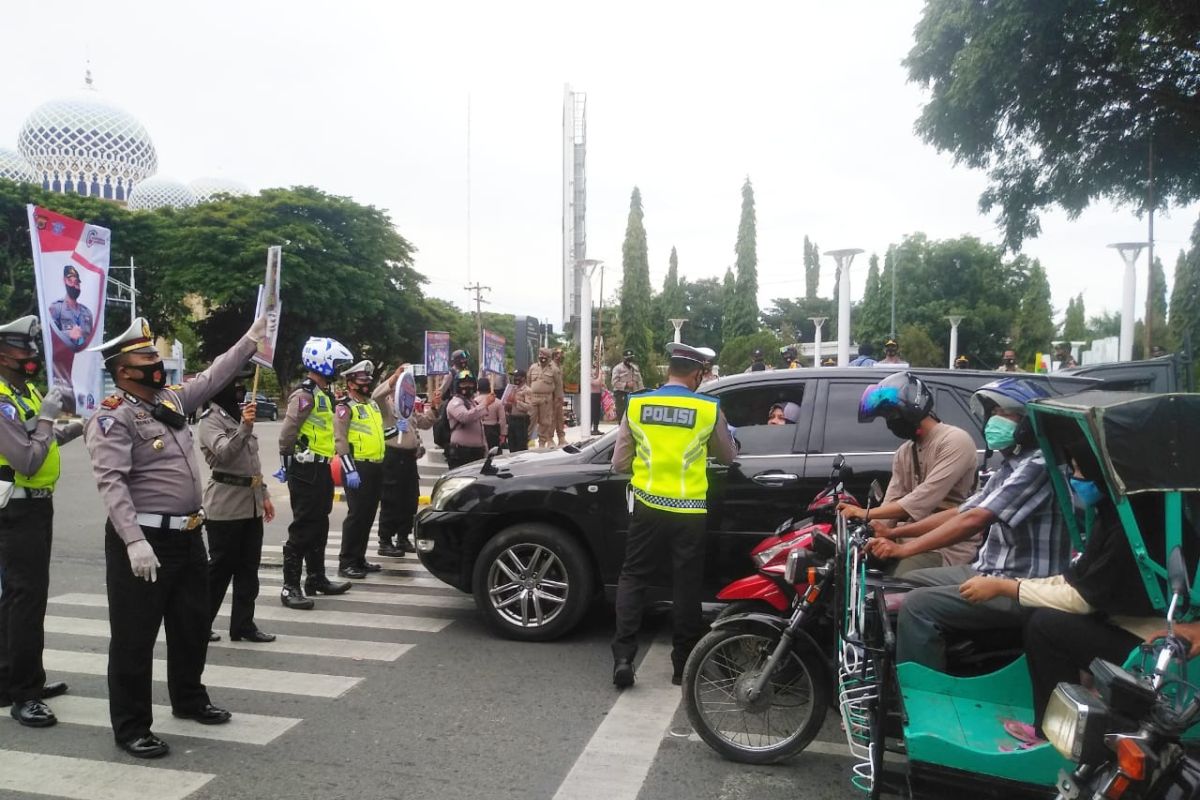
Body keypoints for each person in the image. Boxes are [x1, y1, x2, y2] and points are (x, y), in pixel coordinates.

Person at [84, 313, 273, 758]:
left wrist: (249, 339)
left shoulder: (170, 401)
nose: (157, 362)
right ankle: (131, 725)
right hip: (146, 543)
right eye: (147, 356)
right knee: (135, 637)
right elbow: (112, 483)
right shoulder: (113, 418)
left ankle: (189, 698)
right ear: (123, 371)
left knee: (191, 626)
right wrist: (133, 540)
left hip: (189, 535)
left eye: (155, 354)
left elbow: (213, 376)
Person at [956, 468, 1200, 743]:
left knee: (1047, 625)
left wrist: (1007, 588)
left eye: (1080, 468)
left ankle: (1054, 734)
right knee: (1040, 612)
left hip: (1155, 647)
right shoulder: (1117, 515)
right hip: (1130, 627)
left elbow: (1083, 599)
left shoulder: (1137, 523)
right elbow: (1078, 579)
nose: (1073, 476)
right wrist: (1014, 586)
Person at [868, 378, 1070, 671]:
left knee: (917, 606)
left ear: (1028, 423)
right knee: (903, 582)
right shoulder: (1012, 464)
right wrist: (893, 532)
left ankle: (924, 695)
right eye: (994, 413)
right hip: (987, 570)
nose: (995, 421)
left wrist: (904, 550)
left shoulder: (1038, 466)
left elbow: (973, 520)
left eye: (1006, 414)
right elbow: (960, 512)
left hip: (1018, 586)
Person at [611, 342, 738, 688]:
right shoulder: (708, 409)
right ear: (696, 373)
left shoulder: (638, 403)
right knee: (686, 586)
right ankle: (683, 666)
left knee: (633, 578)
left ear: (669, 370)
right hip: (689, 510)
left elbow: (619, 462)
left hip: (648, 505)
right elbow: (727, 457)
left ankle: (623, 658)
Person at [0, 315, 81, 728]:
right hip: (16, 508)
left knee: (18, 598)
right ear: (2, 354)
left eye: (33, 349)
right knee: (26, 599)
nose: (30, 357)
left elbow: (40, 438)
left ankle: (12, 679)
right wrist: (49, 418)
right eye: (22, 351)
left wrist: (73, 428)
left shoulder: (24, 390)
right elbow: (27, 459)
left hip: (35, 506)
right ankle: (25, 694)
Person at [846, 373, 979, 575]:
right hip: (904, 539)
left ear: (911, 411)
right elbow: (893, 499)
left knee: (895, 589)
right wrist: (871, 530)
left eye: (892, 416)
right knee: (851, 569)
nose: (890, 423)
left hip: (944, 545)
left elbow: (921, 500)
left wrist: (864, 512)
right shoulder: (904, 452)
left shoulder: (955, 441)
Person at [275, 336, 355, 610]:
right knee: (304, 526)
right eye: (335, 363)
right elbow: (287, 433)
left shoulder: (323, 394)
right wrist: (286, 464)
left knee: (320, 524)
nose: (338, 368)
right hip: (305, 469)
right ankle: (290, 587)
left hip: (321, 468)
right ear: (321, 363)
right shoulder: (305, 395)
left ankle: (316, 578)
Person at [200, 369, 275, 645]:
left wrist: (264, 493)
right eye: (236, 386)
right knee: (220, 570)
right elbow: (224, 454)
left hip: (251, 503)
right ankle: (200, 623)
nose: (241, 391)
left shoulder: (236, 417)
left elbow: (251, 464)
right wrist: (244, 428)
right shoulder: (211, 421)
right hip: (226, 506)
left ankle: (243, 624)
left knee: (248, 570)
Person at [335, 361, 387, 580]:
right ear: (350, 383)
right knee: (356, 515)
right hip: (358, 467)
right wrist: (349, 470)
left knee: (368, 515)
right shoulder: (344, 406)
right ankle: (346, 562)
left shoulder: (371, 405)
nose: (367, 384)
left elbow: (378, 434)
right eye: (362, 380)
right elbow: (340, 440)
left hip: (376, 465)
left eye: (368, 380)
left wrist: (397, 429)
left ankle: (359, 558)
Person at [374, 363, 432, 557]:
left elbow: (423, 423)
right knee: (391, 499)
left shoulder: (406, 405)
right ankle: (385, 540)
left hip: (408, 458)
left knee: (409, 499)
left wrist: (435, 408)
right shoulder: (386, 404)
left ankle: (403, 537)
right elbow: (376, 395)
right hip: (392, 456)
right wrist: (393, 379)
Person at [47, 265, 95, 386]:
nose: (75, 284)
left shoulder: (87, 312)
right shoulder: (56, 308)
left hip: (83, 366)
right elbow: (49, 338)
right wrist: (69, 335)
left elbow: (92, 340)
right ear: (64, 281)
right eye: (71, 280)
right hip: (63, 368)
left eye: (77, 281)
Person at [445, 371, 492, 468]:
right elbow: (464, 417)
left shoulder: (473, 403)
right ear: (458, 385)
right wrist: (484, 405)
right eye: (464, 384)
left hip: (477, 453)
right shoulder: (455, 402)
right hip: (461, 453)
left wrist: (485, 448)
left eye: (470, 384)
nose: (468, 386)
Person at [526, 348, 561, 448]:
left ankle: (542, 443)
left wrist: (558, 399)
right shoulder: (533, 367)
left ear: (549, 358)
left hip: (546, 399)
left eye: (545, 357)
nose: (542, 358)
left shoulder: (554, 370)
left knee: (545, 422)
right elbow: (528, 382)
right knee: (530, 420)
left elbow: (558, 385)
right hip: (533, 398)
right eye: (541, 356)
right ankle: (528, 442)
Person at [501, 369, 531, 452]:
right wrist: (507, 405)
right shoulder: (512, 389)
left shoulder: (527, 390)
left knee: (521, 446)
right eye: (514, 377)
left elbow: (529, 407)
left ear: (524, 378)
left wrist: (516, 401)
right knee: (512, 445)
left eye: (518, 377)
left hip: (521, 421)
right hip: (511, 419)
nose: (515, 378)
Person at [610, 349, 644, 421]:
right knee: (622, 415)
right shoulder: (617, 368)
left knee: (632, 415)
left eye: (631, 358)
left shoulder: (635, 368)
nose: (630, 360)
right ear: (624, 358)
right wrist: (626, 385)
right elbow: (614, 383)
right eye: (628, 358)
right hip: (621, 394)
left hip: (633, 394)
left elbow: (639, 381)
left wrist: (642, 393)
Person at [477, 377, 507, 451]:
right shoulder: (497, 402)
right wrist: (503, 434)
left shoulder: (474, 401)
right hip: (493, 431)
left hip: (479, 430)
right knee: (495, 455)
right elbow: (502, 420)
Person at [551, 348, 568, 446]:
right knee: (552, 419)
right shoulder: (551, 366)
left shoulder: (559, 367)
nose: (560, 355)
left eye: (561, 353)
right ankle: (550, 438)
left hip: (559, 396)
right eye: (558, 353)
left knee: (560, 419)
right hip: (553, 397)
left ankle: (561, 438)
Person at [589, 363, 605, 436]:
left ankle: (595, 429)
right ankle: (588, 429)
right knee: (592, 413)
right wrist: (600, 375)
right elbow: (596, 383)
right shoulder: (589, 373)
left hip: (598, 394)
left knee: (597, 413)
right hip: (592, 394)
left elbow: (602, 383)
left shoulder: (599, 373)